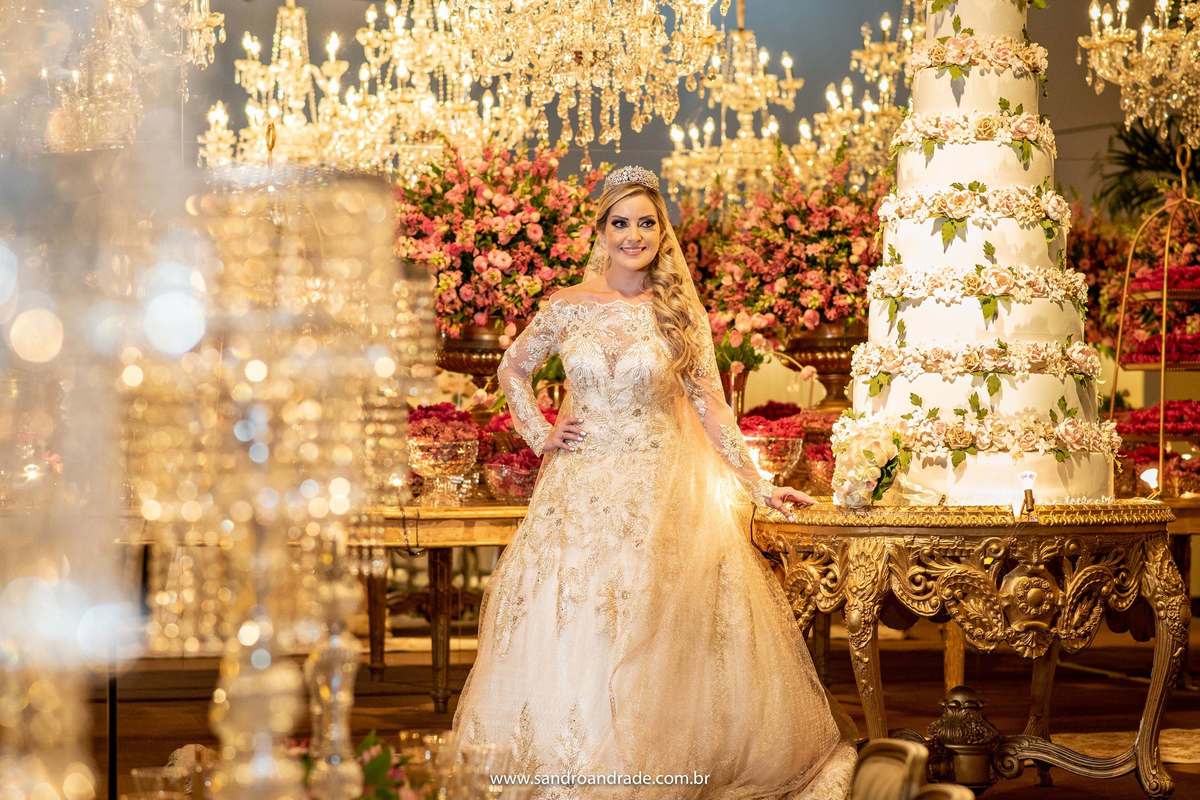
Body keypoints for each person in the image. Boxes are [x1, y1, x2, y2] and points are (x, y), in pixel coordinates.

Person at [450, 166, 856, 798]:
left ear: (662, 234)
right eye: (620, 223)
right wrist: (539, 432)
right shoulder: (566, 306)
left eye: (646, 223)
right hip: (579, 490)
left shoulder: (676, 314)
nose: (633, 235)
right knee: (572, 610)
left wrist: (758, 486)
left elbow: (712, 407)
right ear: (601, 231)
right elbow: (513, 368)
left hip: (656, 491)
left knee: (647, 618)